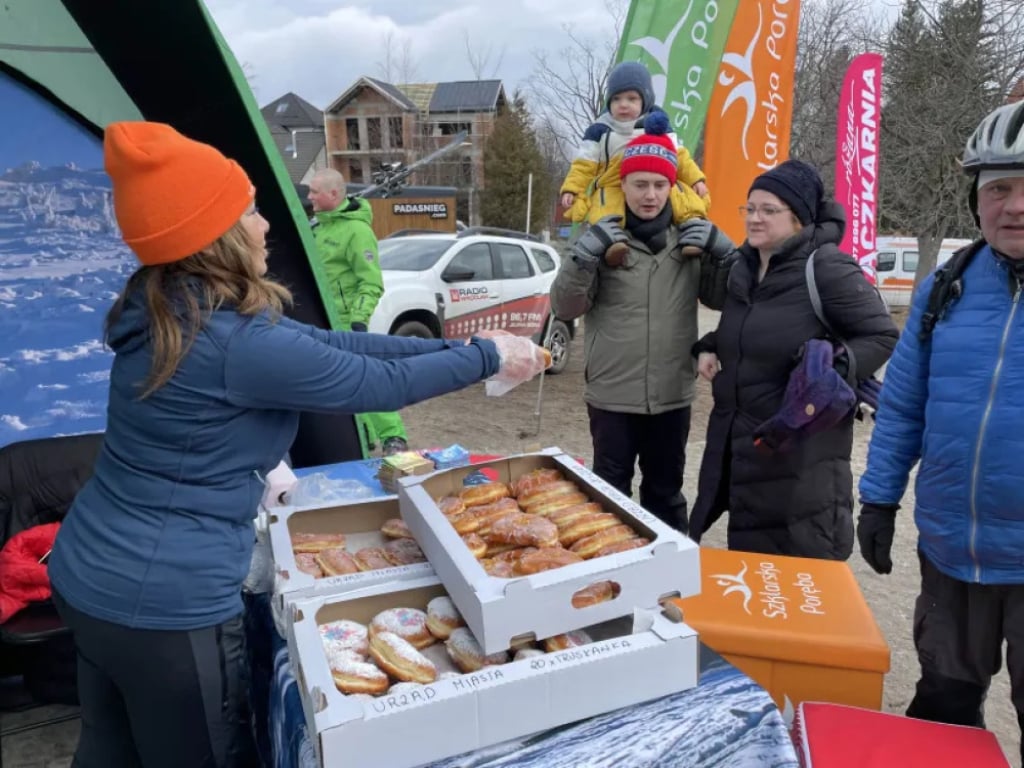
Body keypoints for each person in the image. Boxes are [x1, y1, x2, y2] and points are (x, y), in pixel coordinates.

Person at [46, 121, 543, 767]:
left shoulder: (170, 306)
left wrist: (462, 349)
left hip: (87, 575)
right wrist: (486, 357)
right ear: (213, 235)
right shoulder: (231, 345)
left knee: (109, 748)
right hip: (168, 605)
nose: (264, 225)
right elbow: (369, 380)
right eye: (248, 210)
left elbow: (339, 346)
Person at [857, 101, 1024, 759]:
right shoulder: (944, 289)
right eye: (999, 189)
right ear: (976, 200)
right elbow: (902, 406)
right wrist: (877, 498)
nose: (1014, 206)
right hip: (951, 551)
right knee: (944, 711)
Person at [688, 159, 897, 559]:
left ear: (799, 219)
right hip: (746, 449)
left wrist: (832, 370)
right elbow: (749, 334)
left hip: (802, 457)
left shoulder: (827, 267)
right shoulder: (745, 268)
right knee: (753, 568)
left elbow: (882, 335)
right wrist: (709, 346)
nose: (754, 218)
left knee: (797, 579)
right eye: (749, 208)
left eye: (769, 210)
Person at [551, 125, 736, 533]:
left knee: (666, 493)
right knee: (610, 496)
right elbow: (565, 306)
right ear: (624, 184)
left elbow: (722, 299)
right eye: (640, 184)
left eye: (659, 184)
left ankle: (669, 578)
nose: (650, 195)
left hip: (671, 395)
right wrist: (582, 257)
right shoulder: (601, 236)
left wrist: (725, 255)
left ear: (672, 186)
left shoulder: (688, 239)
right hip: (612, 395)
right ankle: (612, 579)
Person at [306, 167, 409, 455]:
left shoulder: (357, 231)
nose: (309, 196)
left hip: (346, 323)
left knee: (366, 379)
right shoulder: (317, 227)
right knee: (339, 384)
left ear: (334, 194)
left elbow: (371, 282)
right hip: (320, 322)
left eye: (314, 191)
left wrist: (358, 321)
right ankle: (362, 435)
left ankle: (393, 437)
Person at [559, 61, 710, 228]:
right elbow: (583, 165)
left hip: (653, 182)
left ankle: (694, 226)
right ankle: (608, 240)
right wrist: (572, 189)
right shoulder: (599, 131)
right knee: (605, 206)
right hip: (613, 184)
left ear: (645, 100)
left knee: (681, 192)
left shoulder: (658, 126)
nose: (623, 105)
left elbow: (680, 157)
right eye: (616, 99)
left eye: (631, 98)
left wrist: (696, 180)